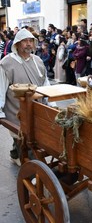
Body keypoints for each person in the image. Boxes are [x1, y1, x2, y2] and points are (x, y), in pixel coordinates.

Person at [0, 28, 55, 166]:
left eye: (31, 40)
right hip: (16, 110)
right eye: (25, 41)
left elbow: (45, 83)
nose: (28, 44)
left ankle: (15, 153)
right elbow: (1, 87)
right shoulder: (6, 63)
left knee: (33, 135)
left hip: (37, 107)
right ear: (17, 44)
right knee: (24, 137)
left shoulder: (38, 61)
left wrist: (51, 102)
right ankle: (31, 165)